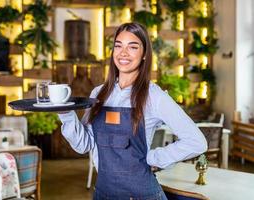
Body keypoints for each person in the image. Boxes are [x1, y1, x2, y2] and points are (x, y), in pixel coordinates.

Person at [58, 22, 207, 199]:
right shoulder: (99, 93)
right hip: (103, 194)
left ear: (144, 54)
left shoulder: (154, 96)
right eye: (118, 46)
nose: (123, 53)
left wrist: (155, 158)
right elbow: (84, 145)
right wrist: (66, 113)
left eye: (133, 47)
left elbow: (197, 142)